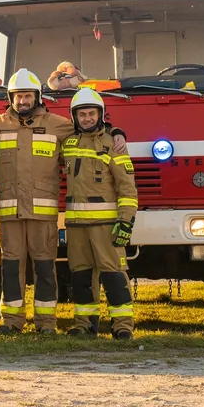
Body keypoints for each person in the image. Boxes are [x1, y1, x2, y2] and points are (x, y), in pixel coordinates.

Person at [0, 68, 128, 335]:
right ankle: (12, 321)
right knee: (11, 266)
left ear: (37, 97)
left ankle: (46, 323)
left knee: (45, 267)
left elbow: (90, 126)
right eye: (18, 96)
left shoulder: (58, 124)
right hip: (10, 214)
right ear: (10, 98)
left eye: (28, 96)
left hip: (43, 215)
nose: (23, 101)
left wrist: (117, 131)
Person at [62, 87, 138, 339]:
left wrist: (125, 221)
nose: (87, 118)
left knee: (114, 274)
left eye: (91, 113)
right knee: (81, 276)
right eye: (82, 114)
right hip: (76, 226)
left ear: (101, 115)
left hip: (106, 225)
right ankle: (84, 325)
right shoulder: (68, 143)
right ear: (74, 117)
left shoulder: (113, 145)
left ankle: (123, 326)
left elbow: (127, 188)